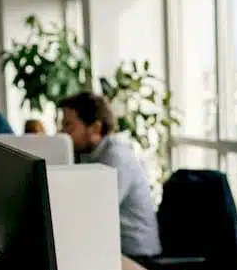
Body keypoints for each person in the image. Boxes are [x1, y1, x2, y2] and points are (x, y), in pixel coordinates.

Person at [57, 91, 161, 261]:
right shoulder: (86, 154)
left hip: (139, 257)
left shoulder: (116, 157)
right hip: (113, 251)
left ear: (95, 128)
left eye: (69, 125)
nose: (63, 132)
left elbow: (95, 212)